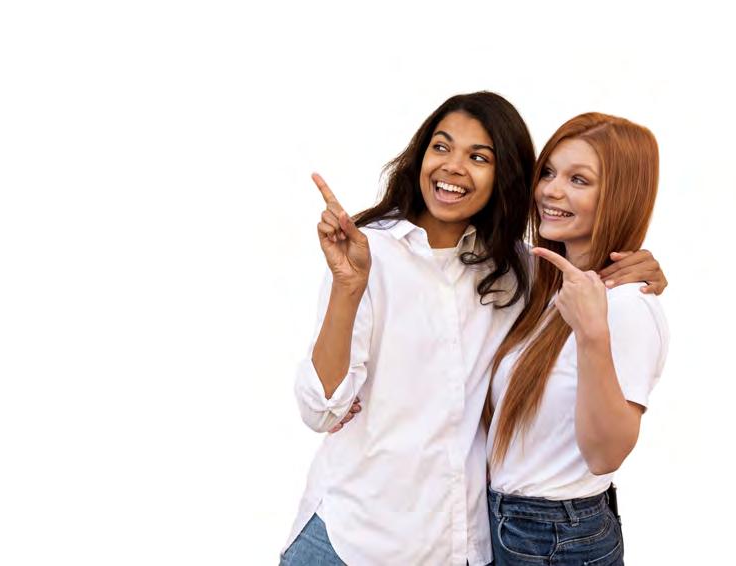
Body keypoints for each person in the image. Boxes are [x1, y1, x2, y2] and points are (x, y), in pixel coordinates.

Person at [280, 92, 667, 566]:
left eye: (478, 157)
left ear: (505, 175)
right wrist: (347, 287)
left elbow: (603, 301)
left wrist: (639, 271)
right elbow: (320, 410)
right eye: (441, 147)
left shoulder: (520, 271)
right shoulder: (369, 253)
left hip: (465, 542)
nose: (453, 166)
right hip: (357, 537)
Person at [485, 113, 666, 565]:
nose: (550, 190)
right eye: (548, 172)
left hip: (554, 537)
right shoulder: (543, 282)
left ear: (620, 195)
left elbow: (606, 454)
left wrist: (592, 333)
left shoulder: (627, 306)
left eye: (578, 180)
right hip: (511, 524)